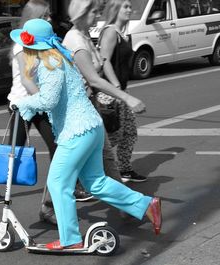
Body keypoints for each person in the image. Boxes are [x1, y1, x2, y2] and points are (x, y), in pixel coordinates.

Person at [10, 18, 162, 250]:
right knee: (96, 182)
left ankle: (70, 239)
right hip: (91, 126)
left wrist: (23, 104)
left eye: (25, 42)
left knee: (58, 182)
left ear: (32, 45)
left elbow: (49, 100)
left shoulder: (47, 63)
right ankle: (145, 204)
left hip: (76, 130)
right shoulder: (60, 57)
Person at [0, 0, 92, 225]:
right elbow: (28, 81)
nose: (50, 19)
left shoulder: (38, 41)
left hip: (36, 104)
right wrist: (48, 100)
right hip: (24, 105)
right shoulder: (22, 46)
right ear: (34, 18)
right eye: (45, 16)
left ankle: (64, 190)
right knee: (15, 151)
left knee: (52, 147)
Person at [62, 0, 146, 184]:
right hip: (83, 104)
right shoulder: (78, 38)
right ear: (82, 13)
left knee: (111, 146)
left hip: (90, 100)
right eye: (94, 12)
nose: (98, 15)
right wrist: (122, 93)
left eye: (99, 11)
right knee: (95, 148)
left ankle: (123, 190)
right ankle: (56, 199)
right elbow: (94, 76)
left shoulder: (84, 37)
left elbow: (99, 64)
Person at [99, 0, 147, 183]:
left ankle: (124, 169)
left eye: (129, 6)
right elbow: (105, 60)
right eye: (125, 6)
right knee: (112, 136)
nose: (129, 9)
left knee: (129, 133)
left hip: (121, 91)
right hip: (111, 93)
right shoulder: (111, 32)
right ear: (115, 9)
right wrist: (116, 87)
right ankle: (91, 174)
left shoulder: (122, 33)